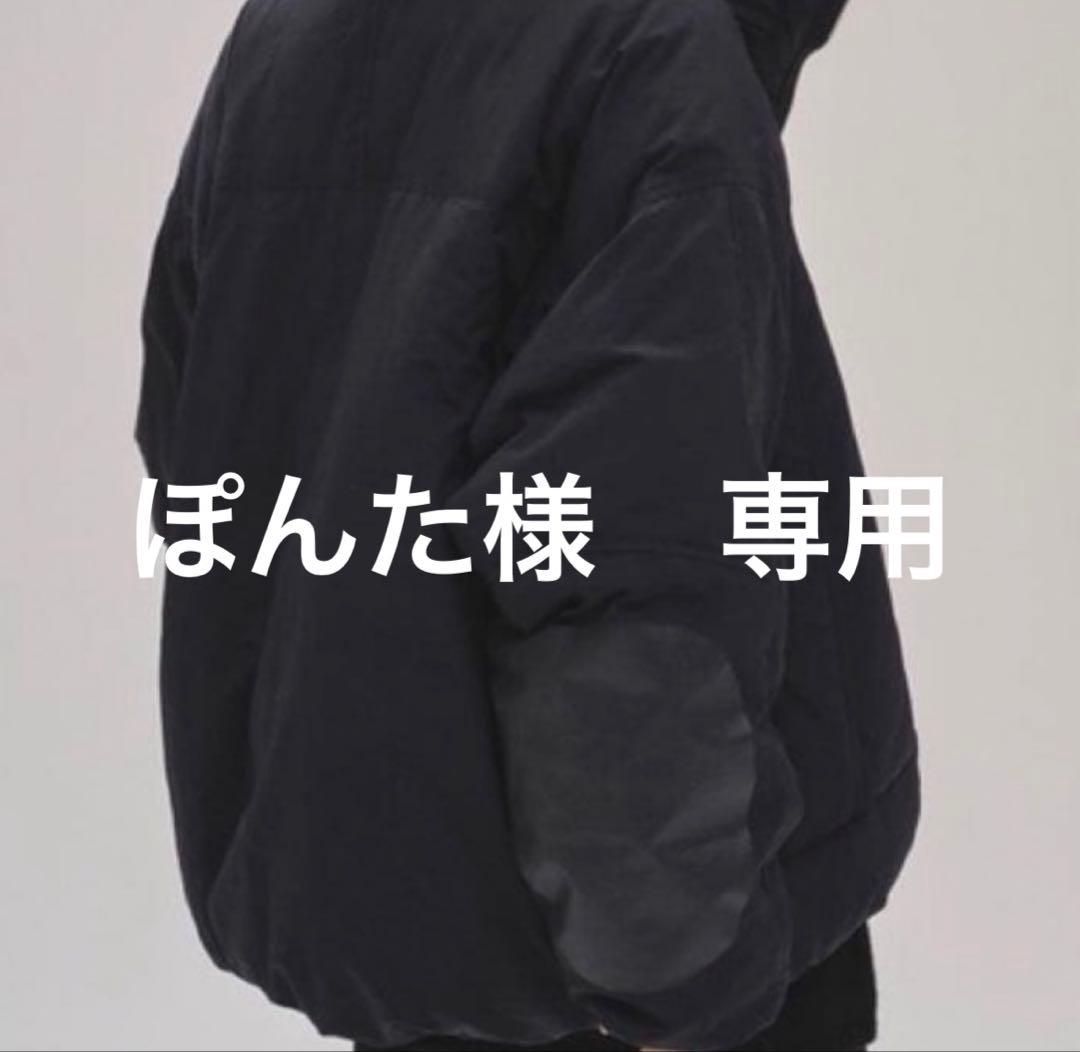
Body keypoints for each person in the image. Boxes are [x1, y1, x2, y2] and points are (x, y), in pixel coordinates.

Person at [137, 1, 919, 1049]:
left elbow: (203, 456)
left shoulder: (281, 32)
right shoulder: (652, 54)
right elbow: (633, 565)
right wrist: (682, 974)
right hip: (652, 955)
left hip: (414, 929)